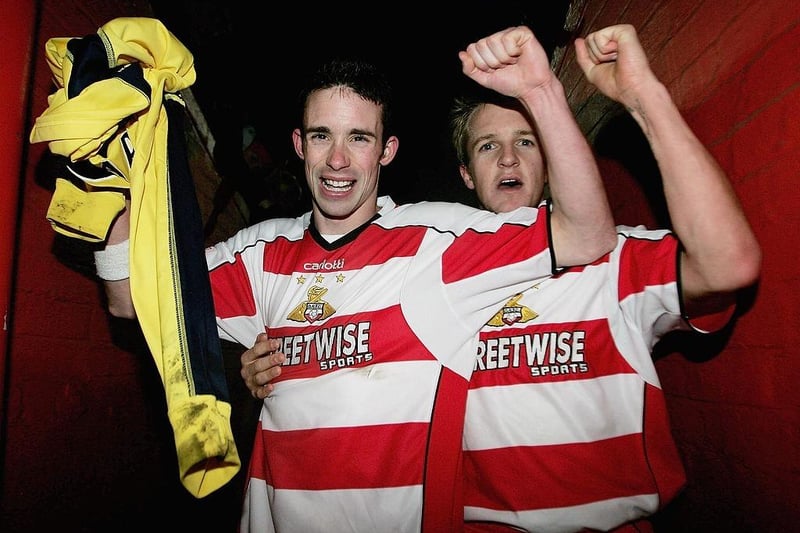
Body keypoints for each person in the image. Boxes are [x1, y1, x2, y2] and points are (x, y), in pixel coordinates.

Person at [241, 24, 762, 532]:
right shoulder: (425, 267)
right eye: (488, 146)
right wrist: (271, 361)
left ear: (556, 155)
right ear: (466, 173)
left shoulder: (613, 260)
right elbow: (335, 342)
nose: (509, 158)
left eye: (527, 143)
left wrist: (645, 97)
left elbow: (729, 266)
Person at [95, 26, 616, 532]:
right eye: (322, 136)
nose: (337, 160)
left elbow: (588, 234)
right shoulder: (259, 254)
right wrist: (109, 164)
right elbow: (130, 301)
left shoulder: (435, 241)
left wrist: (541, 89)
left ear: (386, 150)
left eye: (359, 138)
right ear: (300, 144)